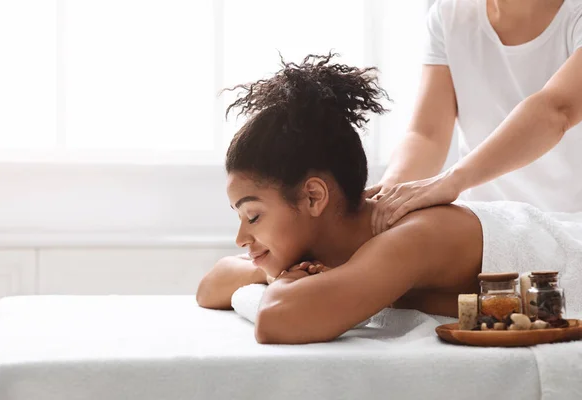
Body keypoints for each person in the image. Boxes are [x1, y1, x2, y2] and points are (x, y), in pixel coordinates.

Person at [196, 53, 484, 344]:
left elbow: (276, 320)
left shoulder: (409, 236)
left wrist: (285, 281)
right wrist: (281, 275)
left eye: (253, 216)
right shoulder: (330, 249)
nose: (241, 238)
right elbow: (210, 286)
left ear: (313, 197)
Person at [366, 0, 582, 234]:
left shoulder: (574, 15)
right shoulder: (449, 15)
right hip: (485, 225)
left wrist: (452, 181)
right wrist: (389, 192)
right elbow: (427, 135)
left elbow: (556, 110)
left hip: (570, 226)